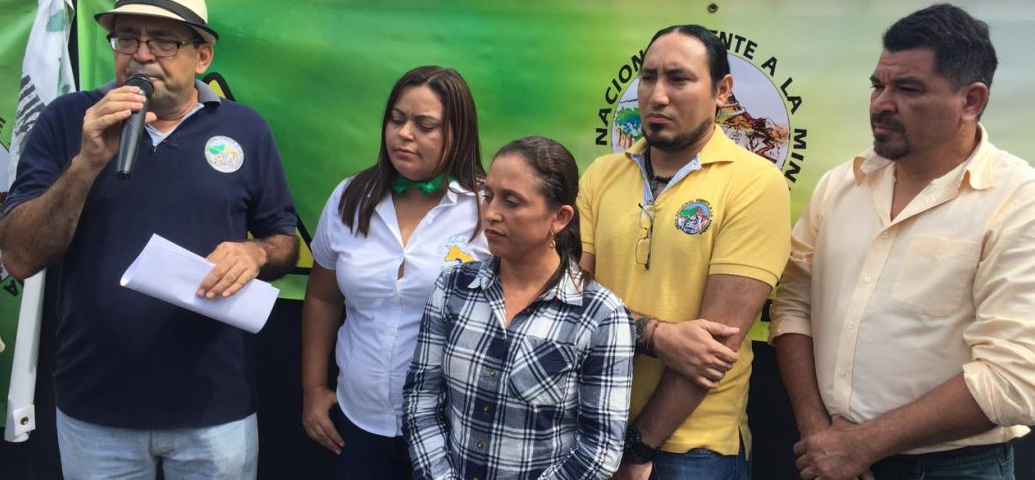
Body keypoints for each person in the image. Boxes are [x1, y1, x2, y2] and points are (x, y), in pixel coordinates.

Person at [0, 0, 298, 479]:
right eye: (127, 38)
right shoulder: (69, 120)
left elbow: (283, 242)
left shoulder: (245, 128)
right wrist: (87, 163)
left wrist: (255, 253)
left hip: (214, 410)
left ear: (202, 56)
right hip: (96, 408)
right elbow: (19, 256)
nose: (141, 55)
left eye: (162, 40)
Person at [771, 3, 1035, 480]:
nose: (881, 104)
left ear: (971, 100)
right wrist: (820, 436)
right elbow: (793, 302)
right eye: (878, 85)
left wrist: (862, 445)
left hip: (954, 467)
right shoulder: (840, 185)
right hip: (825, 455)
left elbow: (1015, 378)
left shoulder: (1017, 202)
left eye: (908, 89)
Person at [577, 25, 791, 479]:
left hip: (694, 448)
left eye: (678, 79)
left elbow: (712, 349)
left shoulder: (756, 183)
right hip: (591, 427)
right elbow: (573, 299)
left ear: (722, 91)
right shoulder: (601, 174)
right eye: (648, 77)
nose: (657, 96)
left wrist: (638, 446)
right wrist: (655, 335)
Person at [403, 136, 634, 479]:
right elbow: (421, 399)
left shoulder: (600, 316)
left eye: (512, 202)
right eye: (488, 196)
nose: (491, 213)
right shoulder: (454, 287)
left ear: (559, 218)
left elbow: (599, 449)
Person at [301, 66, 490, 479]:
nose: (404, 134)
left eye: (425, 125)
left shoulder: (485, 209)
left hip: (452, 429)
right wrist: (313, 388)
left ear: (458, 134)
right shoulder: (350, 198)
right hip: (358, 422)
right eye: (396, 119)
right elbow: (322, 297)